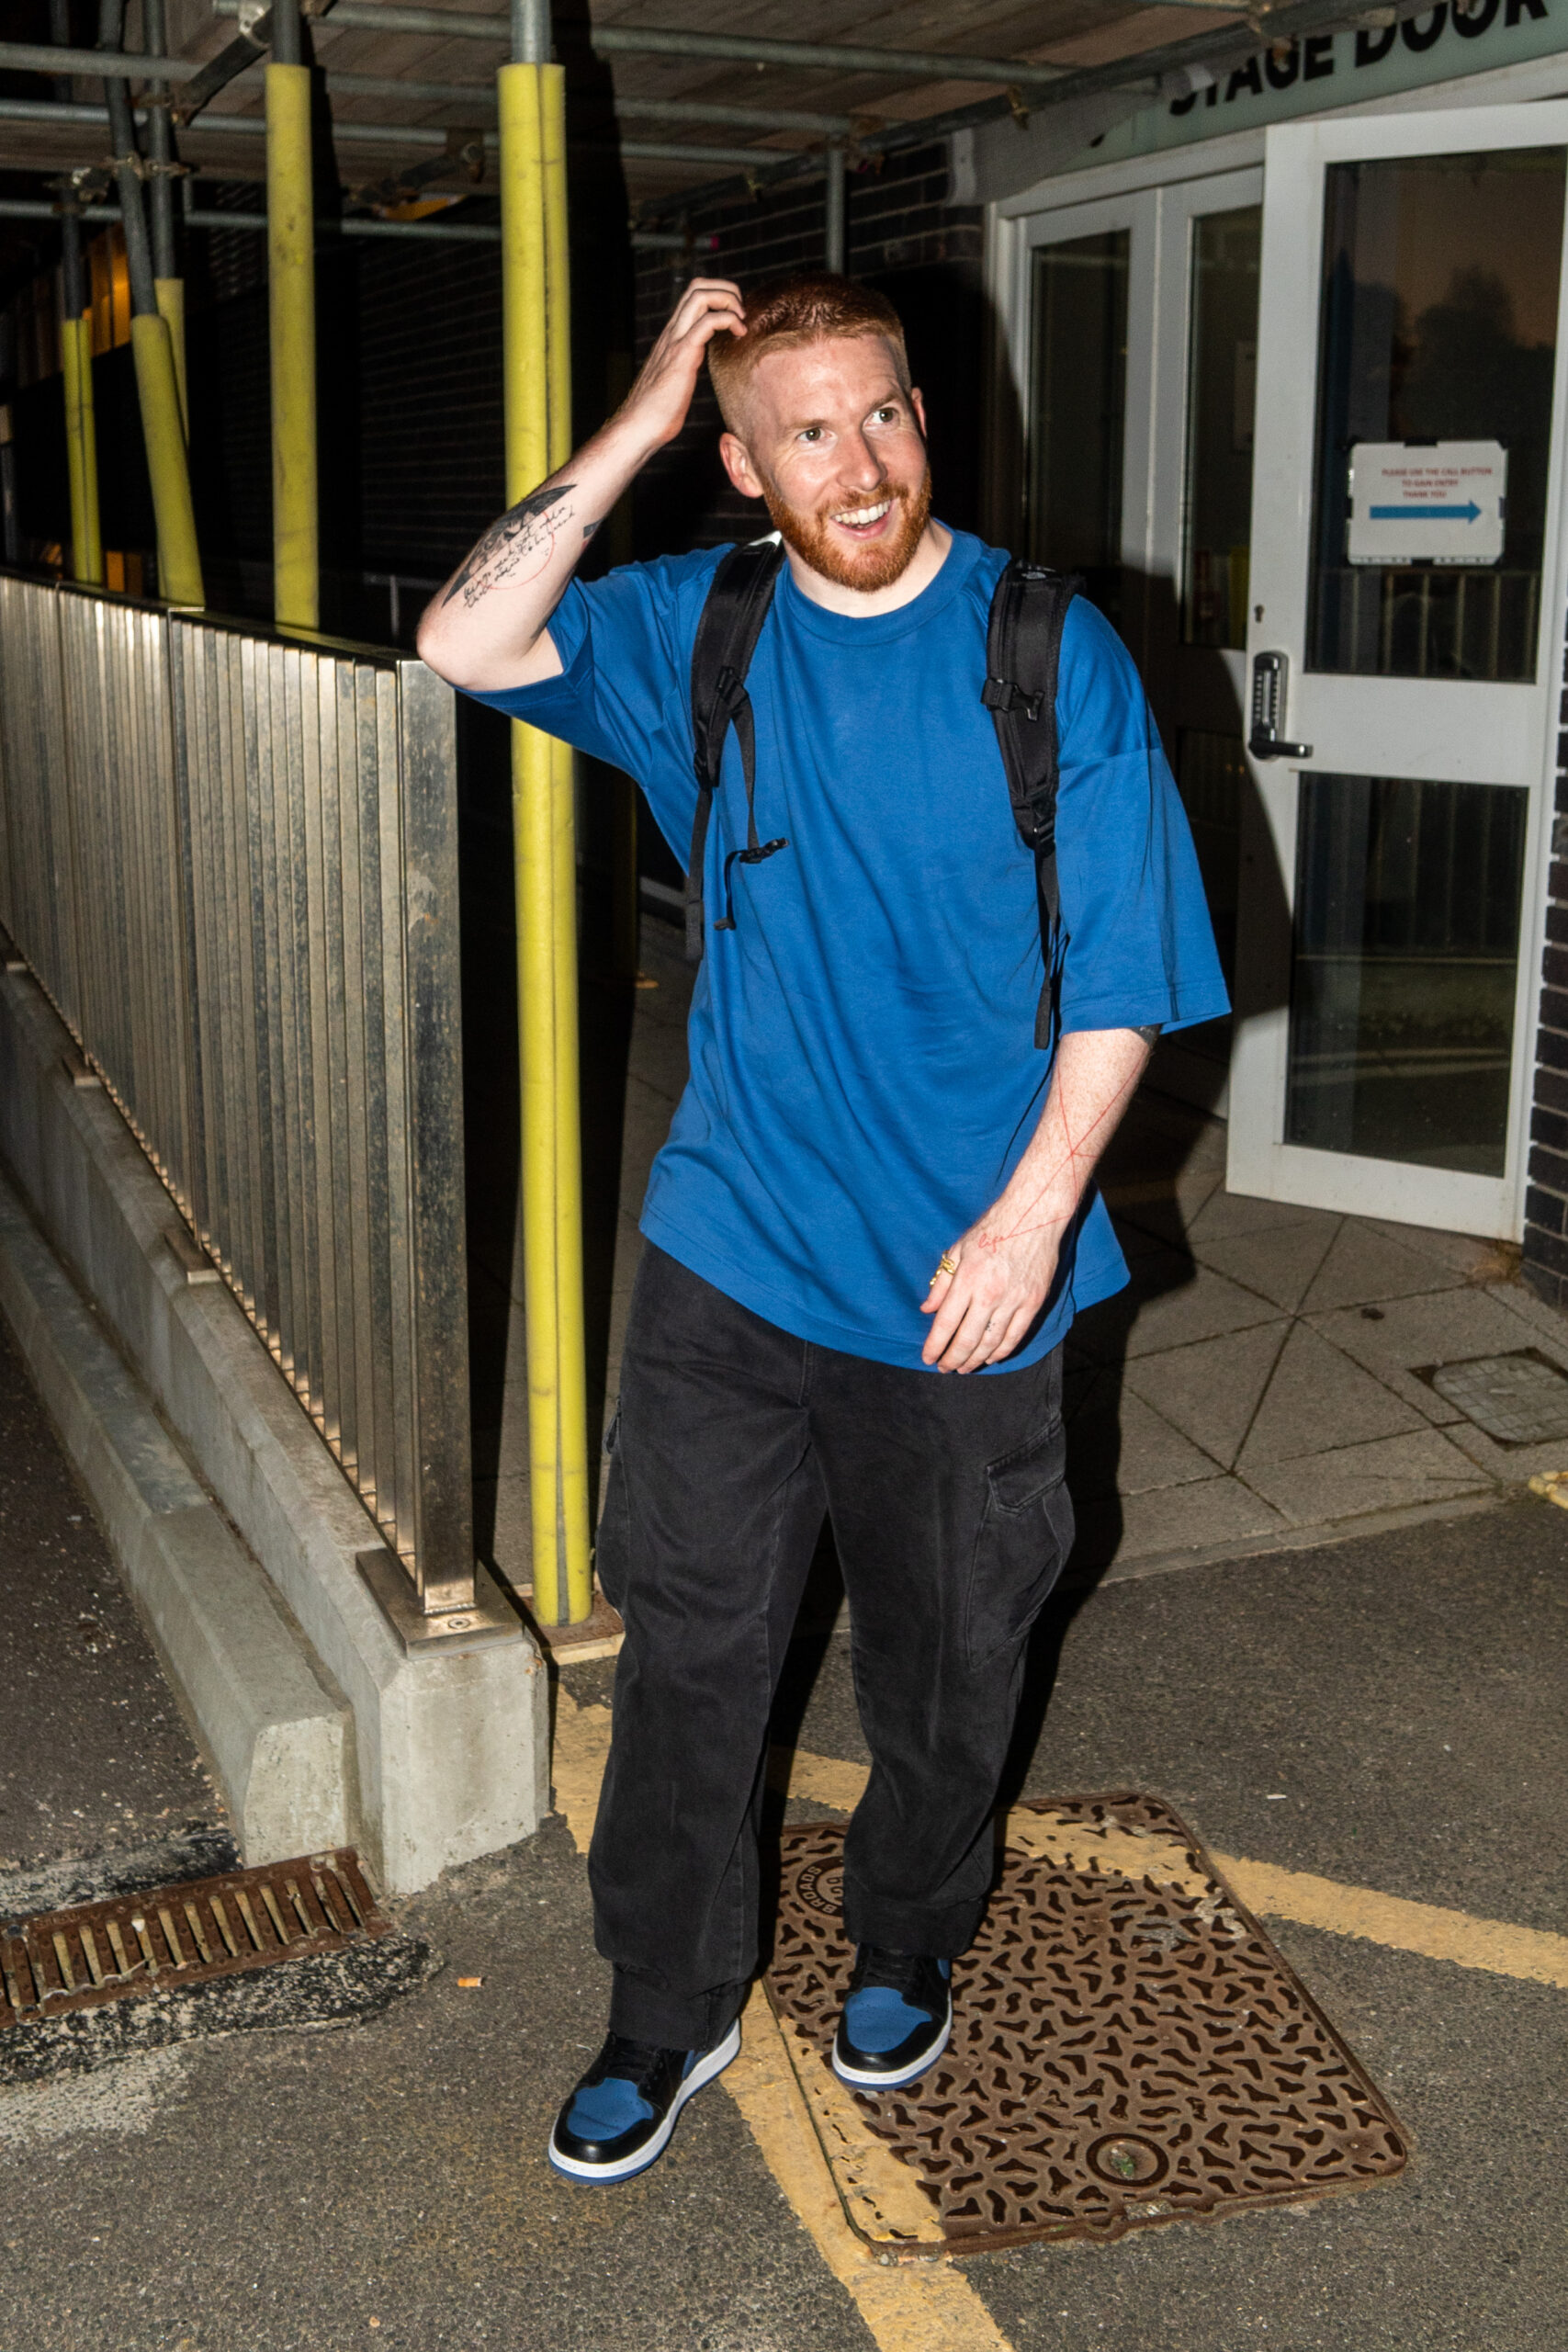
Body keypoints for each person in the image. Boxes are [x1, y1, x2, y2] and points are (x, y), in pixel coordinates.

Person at [418, 272, 1227, 2187]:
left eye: (883, 417)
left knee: (948, 1659)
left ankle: (905, 1934)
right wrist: (625, 422)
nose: (855, 464)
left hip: (967, 1265)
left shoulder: (1047, 648)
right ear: (740, 459)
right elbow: (465, 635)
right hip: (735, 1244)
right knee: (691, 1641)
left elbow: (1119, 976)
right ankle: (666, 1997)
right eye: (804, 429)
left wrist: (1032, 1219)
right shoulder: (698, 627)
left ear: (922, 417)